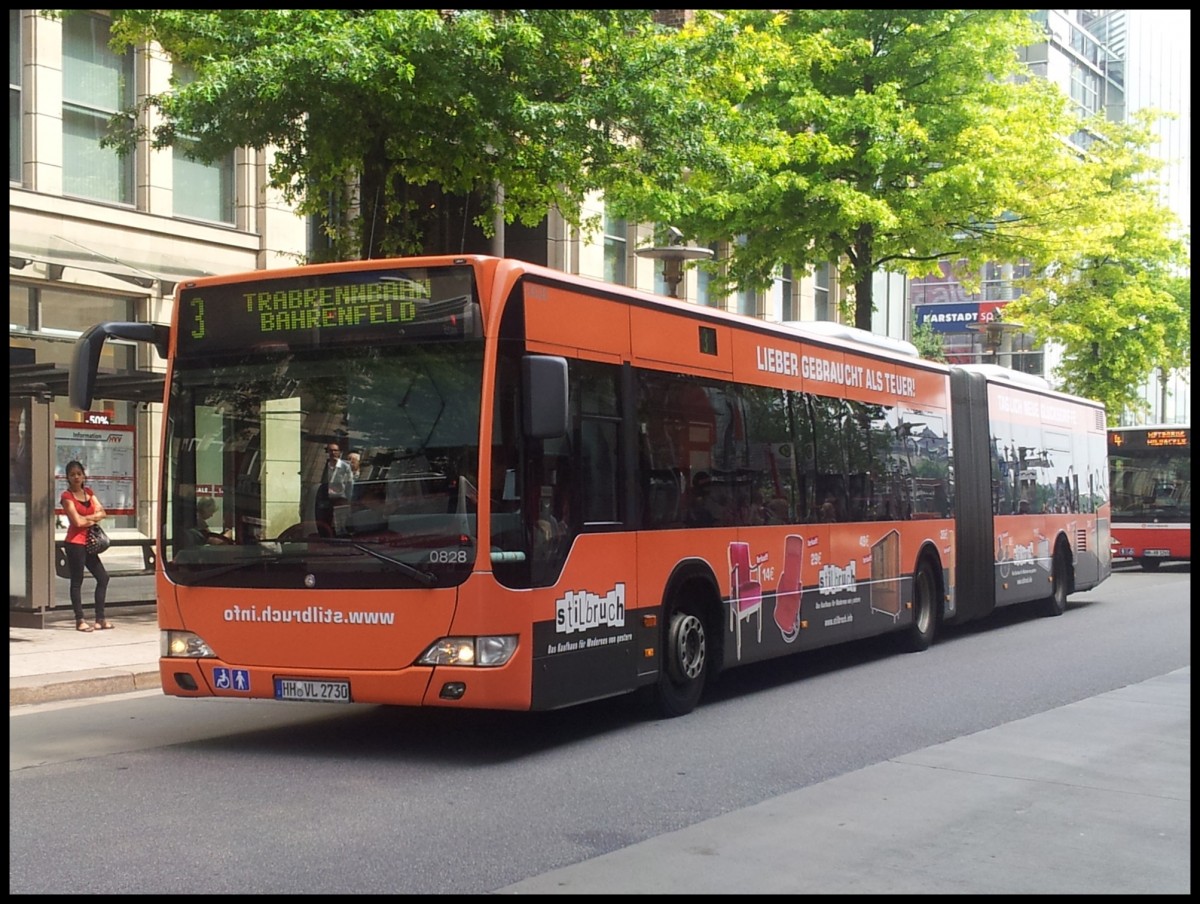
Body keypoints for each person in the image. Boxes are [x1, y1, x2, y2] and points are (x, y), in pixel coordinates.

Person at [59, 460, 111, 632]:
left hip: (89, 542)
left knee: (103, 577)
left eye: (78, 474)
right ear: (67, 477)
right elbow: (76, 521)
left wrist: (87, 520)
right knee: (77, 581)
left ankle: (100, 618)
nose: (76, 477)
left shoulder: (88, 492)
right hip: (74, 543)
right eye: (72, 474)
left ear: (83, 475)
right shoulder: (67, 497)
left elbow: (103, 512)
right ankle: (79, 619)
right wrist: (92, 518)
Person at [315, 440, 354, 535]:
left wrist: (349, 499)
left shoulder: (345, 467)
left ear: (339, 452)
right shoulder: (325, 465)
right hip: (325, 498)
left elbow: (349, 484)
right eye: (330, 450)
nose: (333, 453)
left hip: (340, 498)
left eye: (335, 450)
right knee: (326, 521)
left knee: (340, 523)